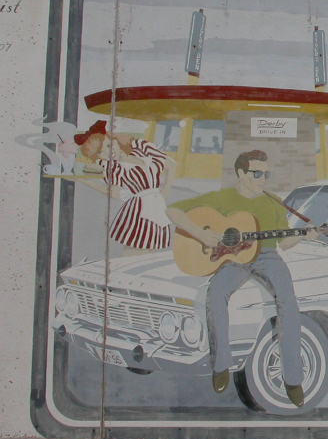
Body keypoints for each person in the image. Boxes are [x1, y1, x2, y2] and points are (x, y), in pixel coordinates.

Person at [165, 150, 315, 407]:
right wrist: (201, 234)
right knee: (215, 295)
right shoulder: (222, 198)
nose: (263, 179)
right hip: (233, 259)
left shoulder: (273, 202)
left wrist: (305, 234)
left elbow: (284, 243)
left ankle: (293, 379)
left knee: (288, 303)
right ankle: (221, 365)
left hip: (267, 256)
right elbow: (173, 211)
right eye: (257, 173)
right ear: (241, 173)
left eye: (266, 174)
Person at [73, 120, 172, 251]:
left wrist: (132, 141)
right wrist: (87, 180)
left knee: (151, 247)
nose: (109, 152)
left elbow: (164, 161)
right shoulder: (115, 169)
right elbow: (115, 191)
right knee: (136, 247)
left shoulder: (138, 152)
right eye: (102, 152)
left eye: (109, 145)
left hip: (156, 206)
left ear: (114, 140)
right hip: (138, 211)